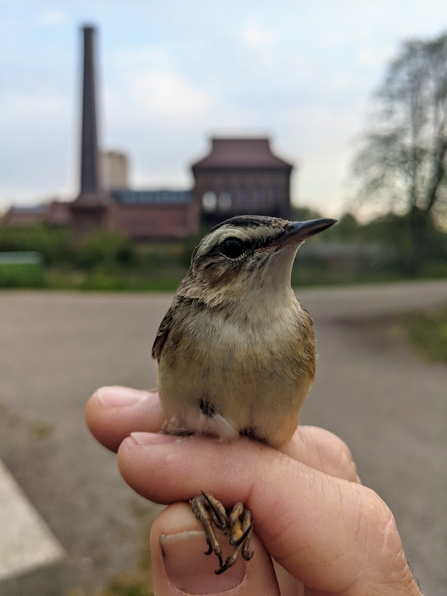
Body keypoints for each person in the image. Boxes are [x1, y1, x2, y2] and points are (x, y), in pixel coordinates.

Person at [85, 386, 423, 596]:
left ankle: (230, 510)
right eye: (234, 261)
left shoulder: (296, 329)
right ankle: (210, 506)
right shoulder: (182, 323)